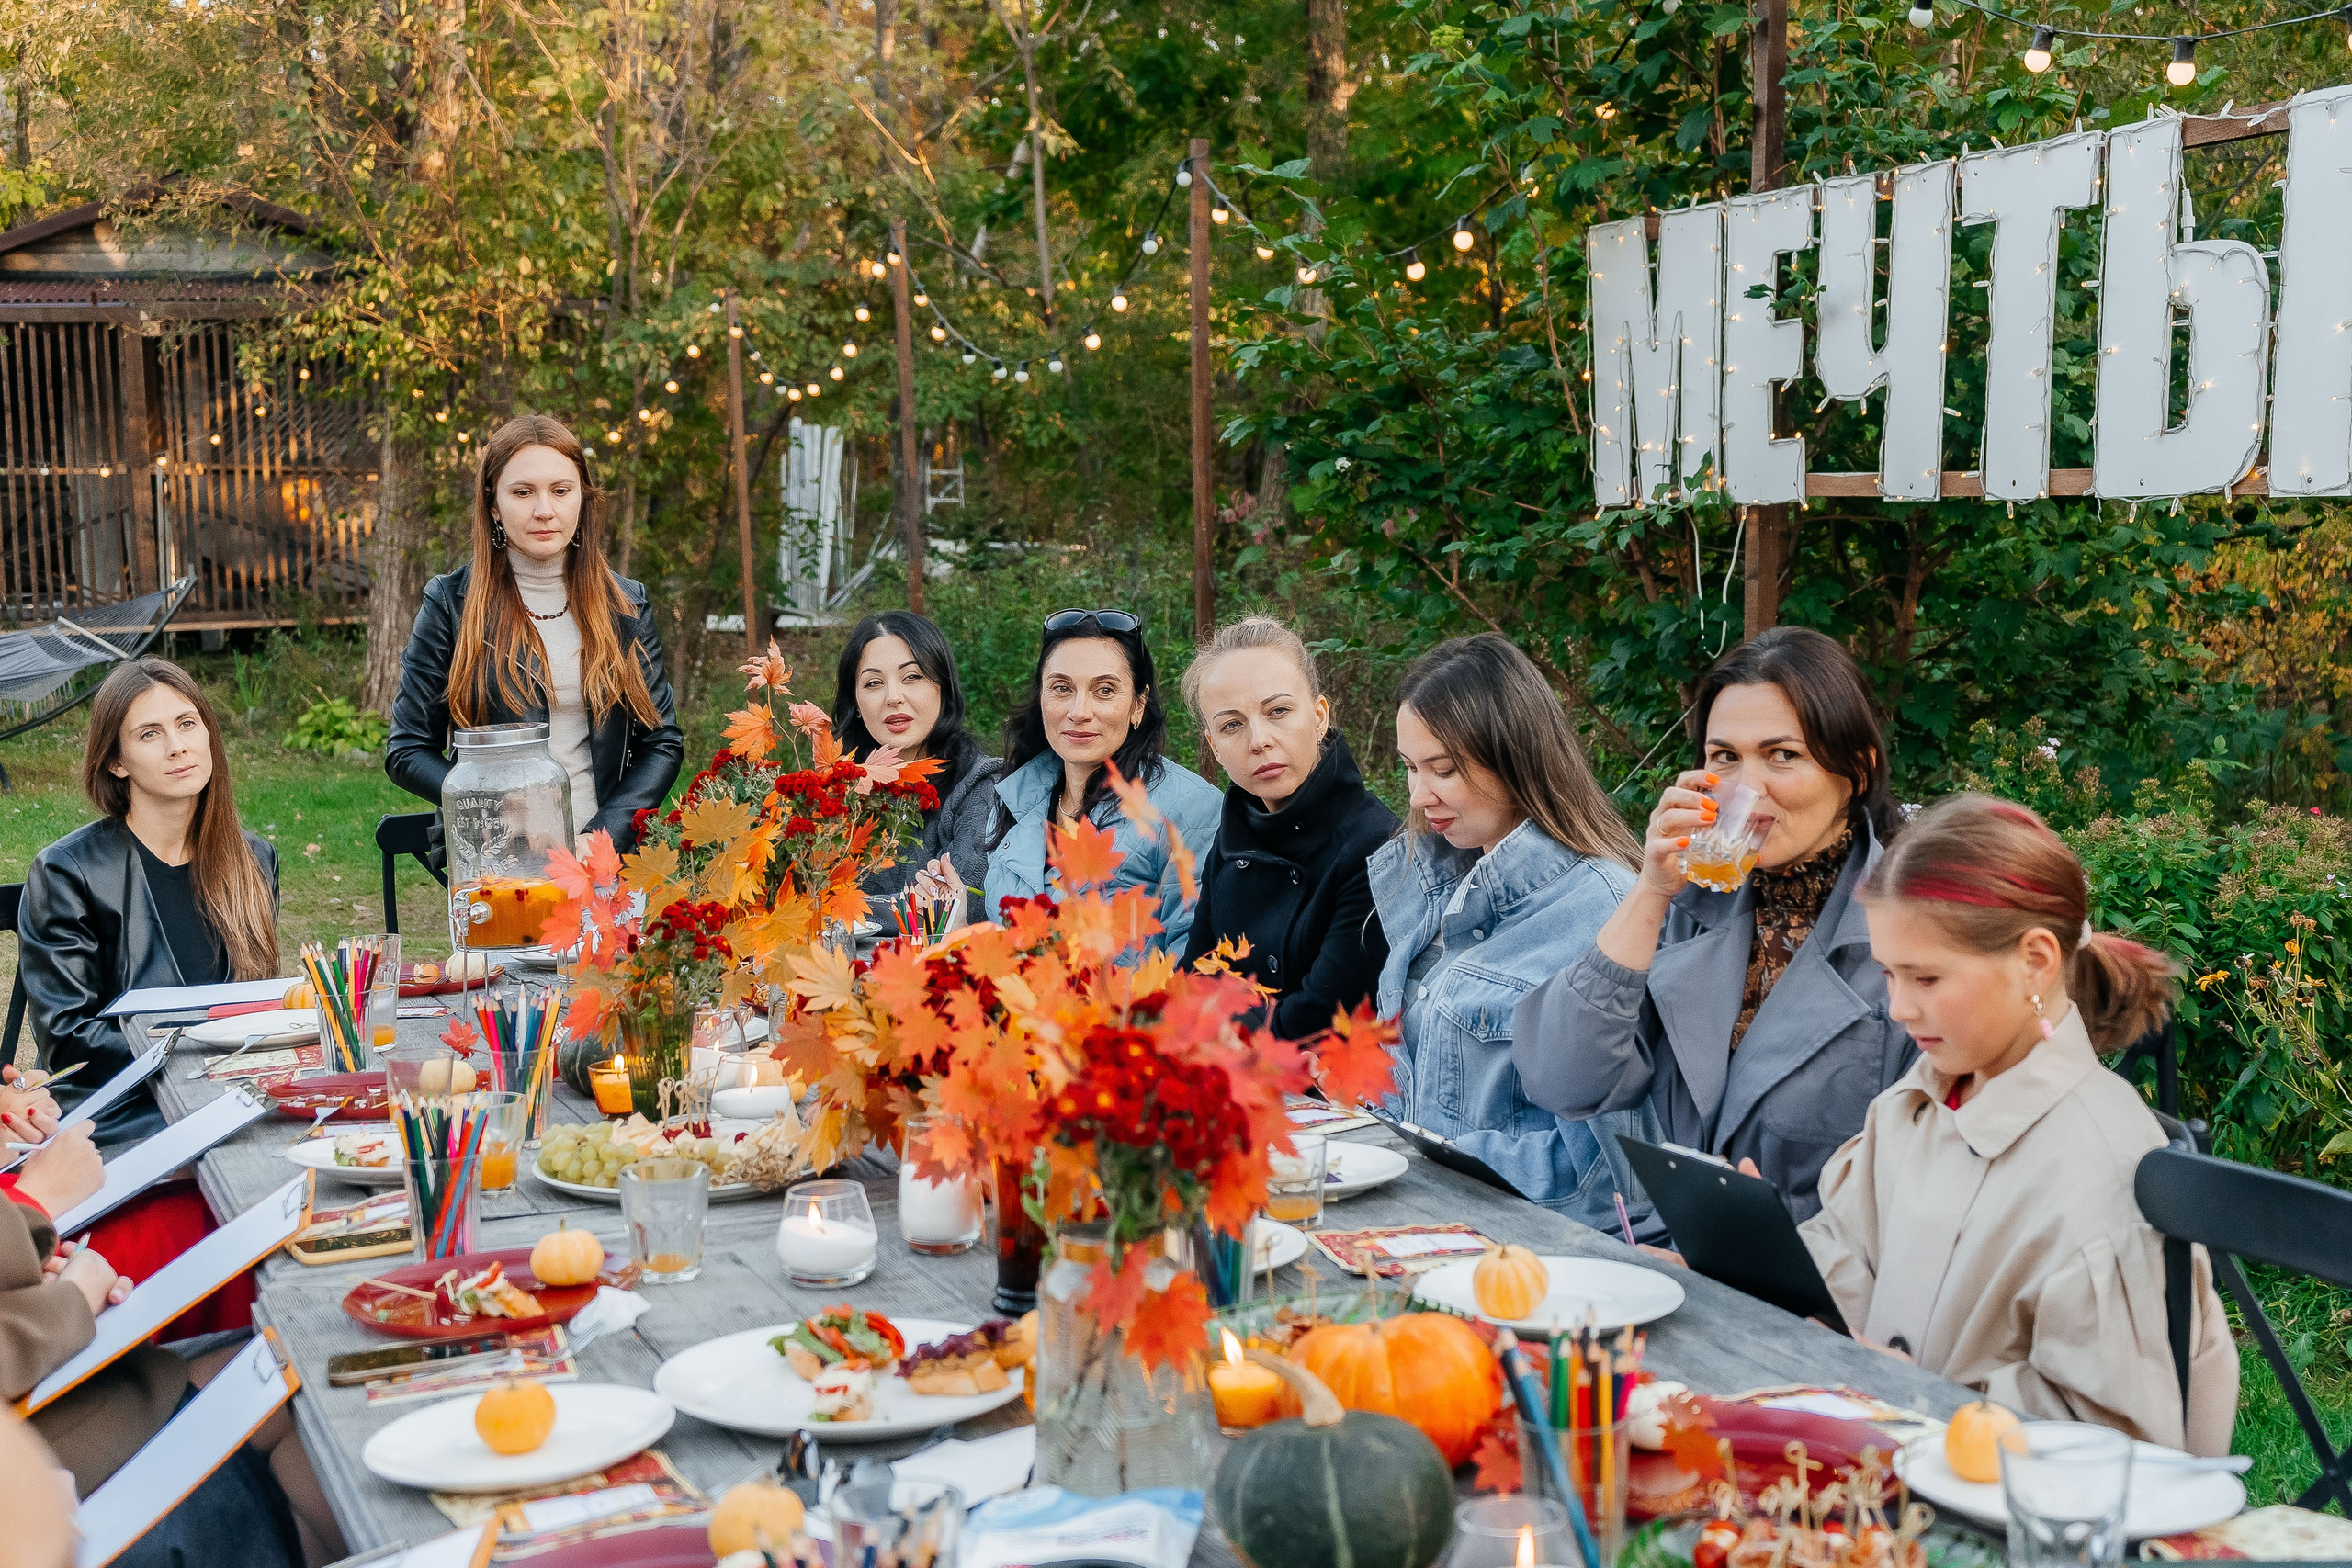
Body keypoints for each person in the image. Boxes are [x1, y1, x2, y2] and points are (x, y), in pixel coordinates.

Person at [1799, 794, 2237, 1454]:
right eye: (1888, 974)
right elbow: (1850, 1261)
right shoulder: (1913, 1106)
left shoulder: (2104, 1175)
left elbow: (2109, 1446)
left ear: (2034, 960)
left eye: (1925, 977)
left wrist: (1909, 1394)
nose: (1896, 1007)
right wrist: (1759, 1259)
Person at [1512, 626, 1915, 1223]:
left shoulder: (1912, 931)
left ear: (1855, 770)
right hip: (1678, 1256)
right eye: (1725, 757)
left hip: (1825, 1294)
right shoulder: (1692, 908)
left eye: (1782, 755)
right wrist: (1651, 891)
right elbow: (1563, 1079)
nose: (1747, 786)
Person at [1368, 635, 1658, 1227]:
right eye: (1409, 767)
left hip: (1525, 1255)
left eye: (1442, 770)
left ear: (1513, 756)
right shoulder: (1430, 882)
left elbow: (1614, 1175)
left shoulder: (1608, 908)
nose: (1419, 797)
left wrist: (1421, 1159)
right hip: (1415, 1225)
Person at [386, 412, 683, 852]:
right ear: (493, 504)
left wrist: (603, 837)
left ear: (582, 499)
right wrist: (499, 804)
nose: (544, 510)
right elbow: (407, 751)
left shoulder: (625, 604)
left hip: (604, 856)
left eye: (561, 491)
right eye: (523, 492)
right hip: (495, 851)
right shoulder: (451, 604)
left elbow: (661, 743)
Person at [23, 659, 281, 1148]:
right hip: (120, 1117)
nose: (177, 746)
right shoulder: (67, 871)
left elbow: (256, 1006)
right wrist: (201, 1047)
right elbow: (66, 1040)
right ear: (116, 761)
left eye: (187, 724)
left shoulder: (254, 860)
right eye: (149, 734)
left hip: (231, 1103)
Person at [1178, 616, 1396, 1036]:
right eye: (1231, 725)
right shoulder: (1235, 835)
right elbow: (1196, 975)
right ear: (1213, 747)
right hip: (1221, 1076)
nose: (1258, 739)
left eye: (1278, 712)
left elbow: (1318, 1015)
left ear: (1318, 716)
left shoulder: (1374, 845)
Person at [982, 609, 1222, 953]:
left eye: (1105, 690)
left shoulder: (1188, 810)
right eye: (1062, 688)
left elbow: (1193, 962)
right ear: (1041, 698)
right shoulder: (1013, 800)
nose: (1079, 711)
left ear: (1138, 704)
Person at [830, 611, 1001, 928]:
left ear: (943, 688)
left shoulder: (981, 786)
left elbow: (957, 907)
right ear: (855, 702)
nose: (894, 697)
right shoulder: (836, 791)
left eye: (912, 677)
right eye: (873, 683)